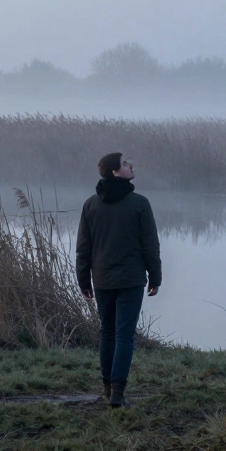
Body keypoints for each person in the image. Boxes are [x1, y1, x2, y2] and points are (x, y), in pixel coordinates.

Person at [75, 152, 161, 408]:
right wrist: (155, 276)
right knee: (124, 335)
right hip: (131, 280)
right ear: (115, 171)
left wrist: (83, 281)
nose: (131, 165)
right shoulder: (139, 204)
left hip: (101, 280)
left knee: (108, 333)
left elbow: (83, 248)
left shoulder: (91, 205)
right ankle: (117, 393)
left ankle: (106, 387)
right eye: (125, 163)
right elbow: (150, 245)